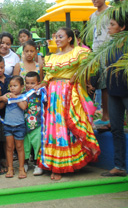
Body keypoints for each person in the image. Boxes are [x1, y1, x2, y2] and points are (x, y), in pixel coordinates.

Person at [35, 27, 100, 181]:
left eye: (60, 37)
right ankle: (55, 164)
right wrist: (41, 84)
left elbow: (90, 66)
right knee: (54, 127)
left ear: (70, 38)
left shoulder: (79, 52)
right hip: (53, 94)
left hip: (69, 92)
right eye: (56, 37)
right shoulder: (52, 57)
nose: (57, 40)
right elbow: (49, 76)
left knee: (67, 126)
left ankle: (67, 163)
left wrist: (77, 75)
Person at [100, 11, 128, 183]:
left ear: (123, 27)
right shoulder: (110, 46)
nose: (109, 28)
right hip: (114, 93)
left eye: (112, 25)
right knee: (116, 130)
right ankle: (119, 167)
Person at [0, 76, 28, 179]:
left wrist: (16, 98)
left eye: (15, 85)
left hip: (19, 125)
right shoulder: (7, 95)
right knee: (9, 147)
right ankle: (10, 168)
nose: (13, 88)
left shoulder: (23, 96)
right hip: (8, 125)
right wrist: (3, 99)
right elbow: (0, 106)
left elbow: (24, 107)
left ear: (22, 87)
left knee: (19, 147)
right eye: (11, 86)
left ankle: (21, 168)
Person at [90, 0, 111, 130]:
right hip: (95, 53)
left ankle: (107, 117)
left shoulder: (112, 12)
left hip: (109, 52)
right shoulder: (92, 16)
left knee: (106, 87)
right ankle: (89, 116)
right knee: (92, 85)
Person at [0, 54, 12, 173]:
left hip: (9, 113)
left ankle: (6, 161)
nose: (0, 70)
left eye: (2, 67)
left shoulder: (10, 79)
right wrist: (1, 99)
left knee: (6, 139)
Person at [23, 71, 44, 176]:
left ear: (38, 83)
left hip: (37, 124)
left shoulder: (41, 94)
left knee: (37, 145)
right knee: (25, 146)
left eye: (32, 83)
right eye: (27, 83)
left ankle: (38, 164)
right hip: (25, 125)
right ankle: (25, 163)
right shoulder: (22, 95)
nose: (29, 85)